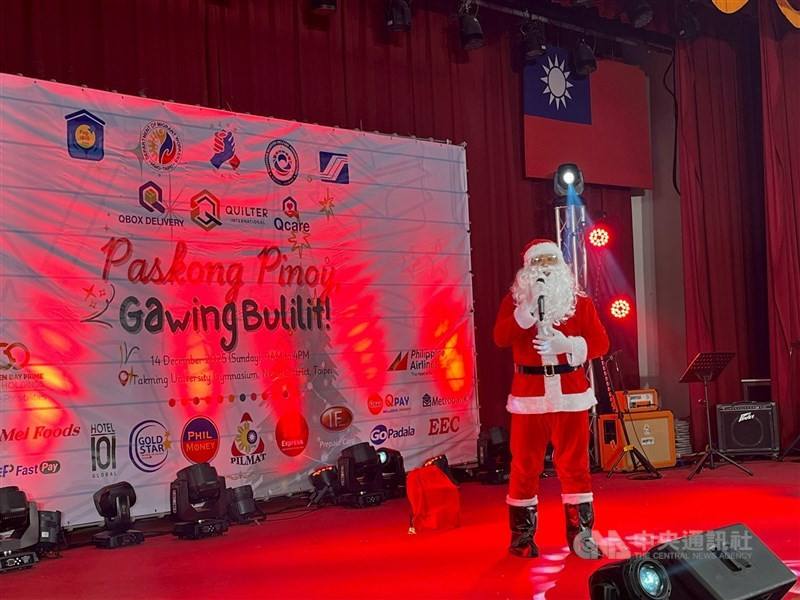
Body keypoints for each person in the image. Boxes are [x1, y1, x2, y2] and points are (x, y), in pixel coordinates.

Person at [493, 239, 609, 559]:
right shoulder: (515, 301)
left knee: (575, 465)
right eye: (537, 263)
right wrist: (525, 315)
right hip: (529, 396)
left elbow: (600, 344)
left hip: (570, 394)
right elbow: (501, 337)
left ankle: (580, 535)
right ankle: (522, 537)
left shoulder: (580, 303)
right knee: (525, 465)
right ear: (527, 269)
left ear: (561, 265)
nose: (544, 268)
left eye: (550, 261)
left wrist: (567, 344)